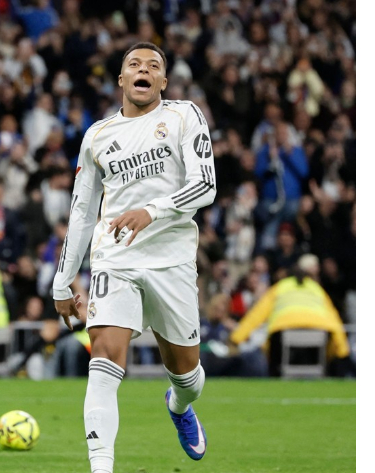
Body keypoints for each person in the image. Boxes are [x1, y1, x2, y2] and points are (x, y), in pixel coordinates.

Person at [53, 43, 216, 471]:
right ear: (121, 79)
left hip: (171, 259)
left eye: (153, 66)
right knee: (103, 359)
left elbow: (206, 185)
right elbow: (82, 212)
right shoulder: (97, 136)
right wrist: (62, 281)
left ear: (163, 81)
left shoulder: (184, 116)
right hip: (116, 259)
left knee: (188, 376)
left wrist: (152, 211)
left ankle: (179, 404)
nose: (144, 69)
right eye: (134, 64)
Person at [229, 254, 351, 377]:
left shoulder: (280, 287)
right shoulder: (316, 289)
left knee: (274, 357)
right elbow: (333, 317)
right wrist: (343, 352)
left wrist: (236, 338)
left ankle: (275, 376)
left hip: (282, 330)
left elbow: (257, 315)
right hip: (319, 331)